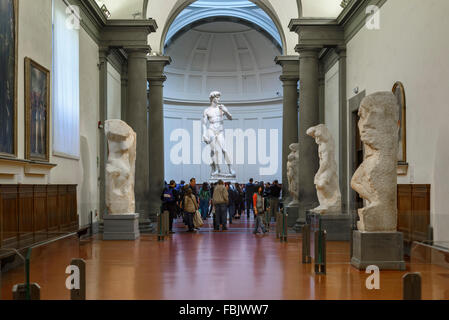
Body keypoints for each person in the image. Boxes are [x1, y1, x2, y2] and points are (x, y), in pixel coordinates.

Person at [202, 91, 235, 176]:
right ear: (212, 98)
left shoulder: (221, 108)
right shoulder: (207, 110)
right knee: (213, 150)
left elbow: (230, 118)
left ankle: (230, 168)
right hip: (211, 130)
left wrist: (226, 111)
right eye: (217, 97)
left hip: (220, 131)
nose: (219, 99)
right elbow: (204, 124)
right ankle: (216, 169)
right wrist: (204, 134)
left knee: (224, 149)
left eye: (219, 97)